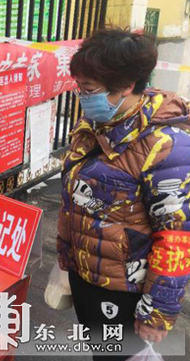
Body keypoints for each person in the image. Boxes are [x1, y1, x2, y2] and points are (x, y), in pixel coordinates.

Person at [57, 28, 190, 360]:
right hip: (87, 273)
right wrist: (67, 257)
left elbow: (176, 237)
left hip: (123, 289)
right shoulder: (95, 124)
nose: (82, 97)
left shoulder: (166, 145)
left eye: (88, 90)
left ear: (127, 86)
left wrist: (158, 313)